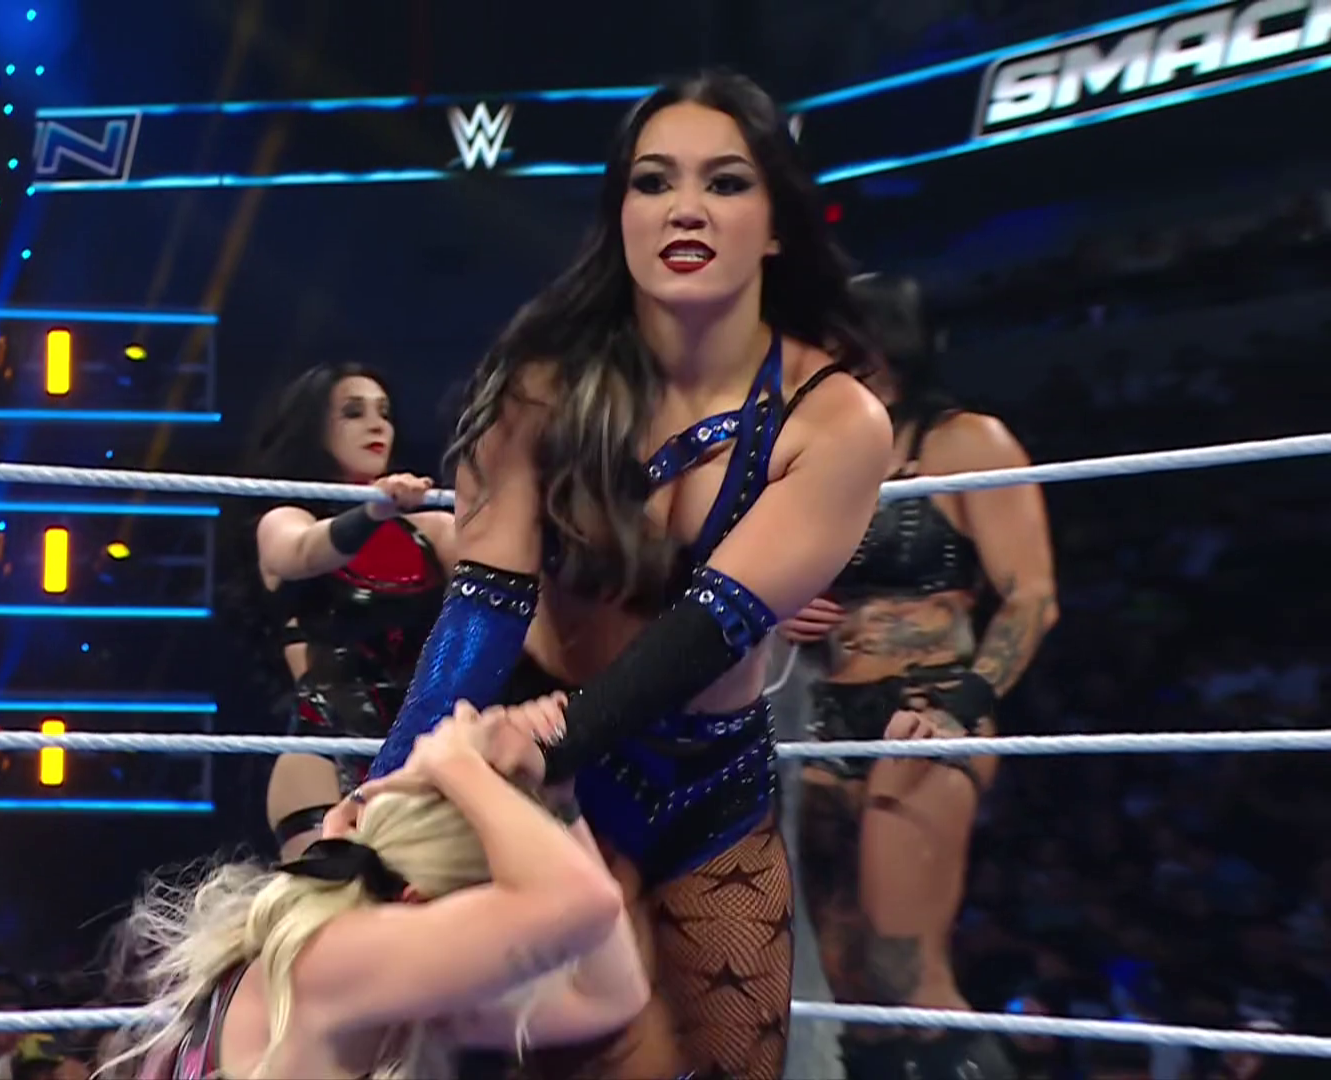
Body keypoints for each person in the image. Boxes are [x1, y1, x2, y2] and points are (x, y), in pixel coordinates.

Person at [363, 71, 894, 1079]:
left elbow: (710, 629)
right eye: (655, 181)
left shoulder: (836, 421)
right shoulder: (541, 383)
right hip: (548, 777)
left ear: (777, 224)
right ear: (621, 215)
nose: (685, 208)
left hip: (705, 775)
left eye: (725, 182)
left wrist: (549, 739)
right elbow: (485, 605)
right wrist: (390, 792)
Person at [777, 272, 1057, 1079]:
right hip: (822, 716)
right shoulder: (816, 460)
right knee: (850, 981)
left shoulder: (966, 442)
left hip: (924, 704)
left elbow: (1032, 596)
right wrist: (784, 606)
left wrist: (959, 707)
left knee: (906, 972)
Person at [106, 698, 650, 1079]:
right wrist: (455, 764)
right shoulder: (328, 962)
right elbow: (585, 904)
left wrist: (557, 804)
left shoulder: (378, 990)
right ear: (416, 901)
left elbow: (610, 997)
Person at [233, 364, 456, 856]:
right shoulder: (284, 518)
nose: (377, 425)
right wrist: (374, 510)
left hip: (422, 755)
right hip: (326, 755)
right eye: (354, 413)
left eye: (384, 413)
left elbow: (508, 578)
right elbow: (303, 552)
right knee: (335, 899)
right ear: (315, 427)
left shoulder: (432, 531)